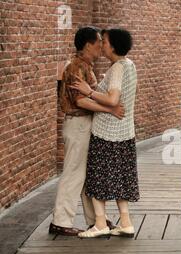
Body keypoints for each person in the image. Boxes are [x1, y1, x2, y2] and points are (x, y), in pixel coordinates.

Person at [49, 26, 124, 236]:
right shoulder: (75, 67)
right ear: (88, 44)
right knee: (73, 173)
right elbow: (80, 100)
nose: (101, 46)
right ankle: (60, 221)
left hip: (84, 125)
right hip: (78, 124)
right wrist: (109, 108)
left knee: (85, 174)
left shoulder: (86, 66)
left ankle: (96, 220)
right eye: (99, 42)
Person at [70, 28, 139, 238]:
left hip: (107, 133)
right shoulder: (129, 65)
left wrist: (89, 91)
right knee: (121, 178)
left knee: (97, 177)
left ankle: (100, 224)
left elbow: (112, 100)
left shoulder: (117, 68)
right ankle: (125, 222)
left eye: (106, 41)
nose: (103, 44)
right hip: (125, 133)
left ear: (114, 45)